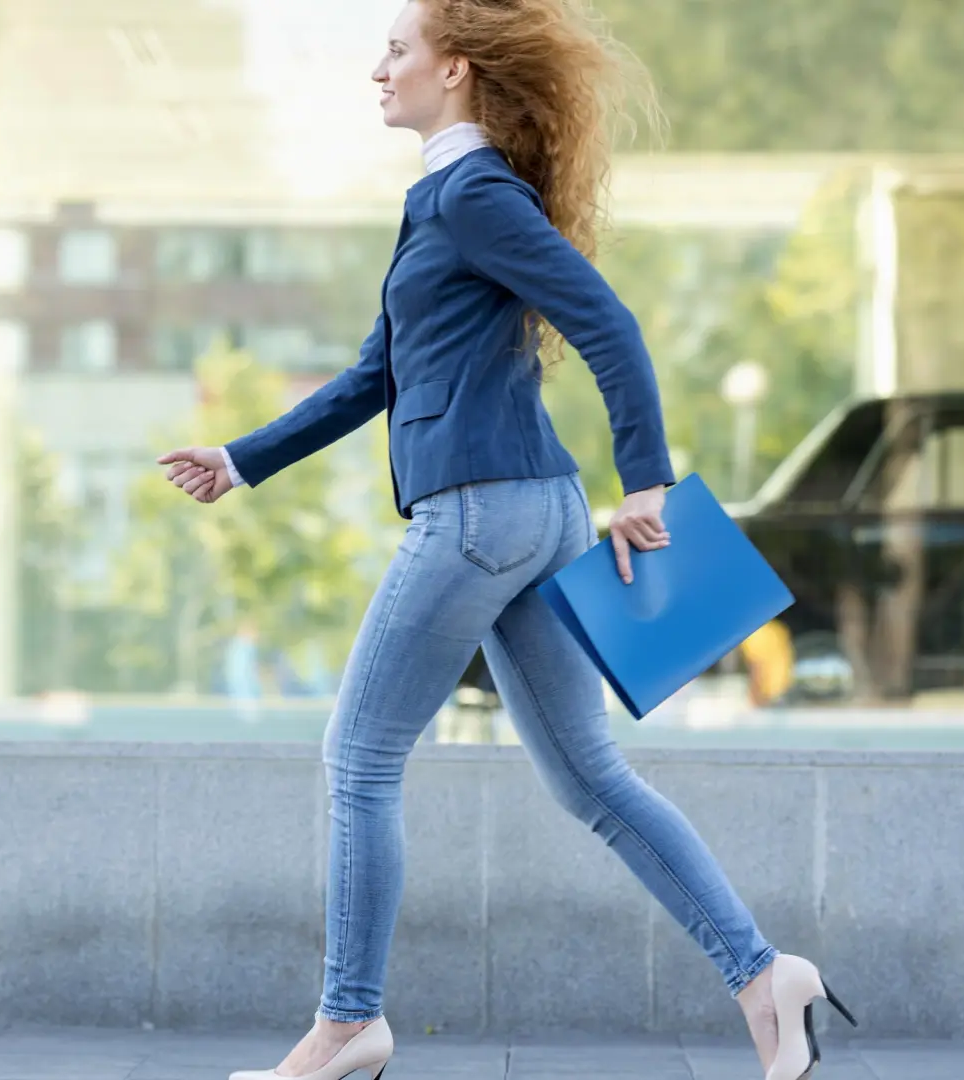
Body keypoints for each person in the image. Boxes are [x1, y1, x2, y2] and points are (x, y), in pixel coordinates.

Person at [157, 2, 854, 1078]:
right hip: (531, 508)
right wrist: (243, 459)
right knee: (590, 779)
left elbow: (607, 322)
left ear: (457, 70)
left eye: (397, 50)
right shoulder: (446, 198)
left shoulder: (473, 194)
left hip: (481, 512)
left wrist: (650, 480)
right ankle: (769, 980)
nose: (377, 67)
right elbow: (375, 378)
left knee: (360, 755)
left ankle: (349, 1024)